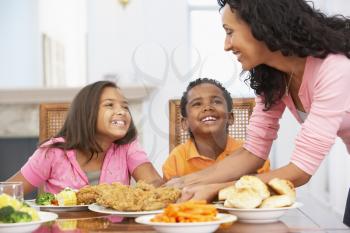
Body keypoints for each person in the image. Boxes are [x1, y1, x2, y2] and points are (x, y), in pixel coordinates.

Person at [165, 0, 350, 214]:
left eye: (229, 32)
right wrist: (185, 182)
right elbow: (253, 152)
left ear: (260, 25)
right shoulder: (275, 77)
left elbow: (301, 170)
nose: (226, 45)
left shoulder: (335, 68)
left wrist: (217, 190)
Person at [6, 81, 163, 194]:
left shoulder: (128, 147)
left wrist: (172, 185)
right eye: (109, 105)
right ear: (87, 113)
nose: (121, 111)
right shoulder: (52, 152)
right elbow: (10, 191)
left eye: (125, 106)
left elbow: (153, 183)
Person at [162, 78, 270, 181]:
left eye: (216, 102)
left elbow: (264, 189)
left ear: (230, 118)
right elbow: (170, 197)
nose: (207, 107)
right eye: (197, 104)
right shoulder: (175, 160)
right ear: (185, 123)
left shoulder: (252, 155)